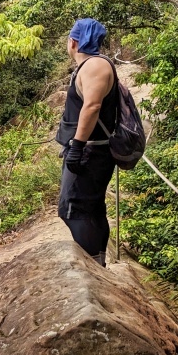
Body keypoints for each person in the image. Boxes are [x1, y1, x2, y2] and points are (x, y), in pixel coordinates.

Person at [56, 18, 118, 266]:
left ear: (73, 42)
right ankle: (97, 262)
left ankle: (92, 266)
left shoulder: (95, 66)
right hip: (90, 150)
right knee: (90, 207)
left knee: (74, 209)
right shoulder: (92, 66)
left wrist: (78, 146)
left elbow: (92, 106)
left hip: (90, 152)